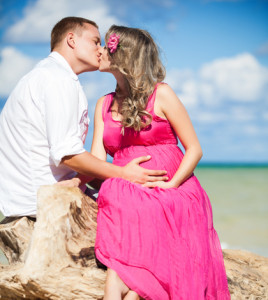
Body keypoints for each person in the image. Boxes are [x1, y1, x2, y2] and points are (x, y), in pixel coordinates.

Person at [91, 25, 231, 299]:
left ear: (124, 56)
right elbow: (98, 159)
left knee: (150, 205)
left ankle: (126, 287)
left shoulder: (162, 93)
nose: (99, 51)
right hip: (125, 183)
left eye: (106, 46)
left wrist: (172, 185)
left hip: (172, 184)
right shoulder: (103, 104)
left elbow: (194, 149)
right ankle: (131, 288)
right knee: (117, 194)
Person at [0, 17, 167, 218]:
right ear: (71, 40)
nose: (101, 49)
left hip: (34, 197)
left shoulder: (47, 75)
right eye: (95, 41)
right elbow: (67, 154)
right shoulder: (57, 80)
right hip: (43, 205)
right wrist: (124, 174)